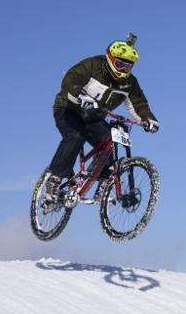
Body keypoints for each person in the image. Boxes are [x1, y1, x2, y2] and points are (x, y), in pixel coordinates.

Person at [46, 33, 159, 203]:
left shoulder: (130, 83)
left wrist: (148, 119)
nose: (123, 70)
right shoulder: (93, 65)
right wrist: (78, 97)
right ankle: (54, 178)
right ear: (110, 59)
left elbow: (139, 104)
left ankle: (103, 181)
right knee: (76, 136)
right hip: (68, 108)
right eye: (119, 64)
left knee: (109, 141)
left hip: (93, 116)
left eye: (128, 67)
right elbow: (71, 79)